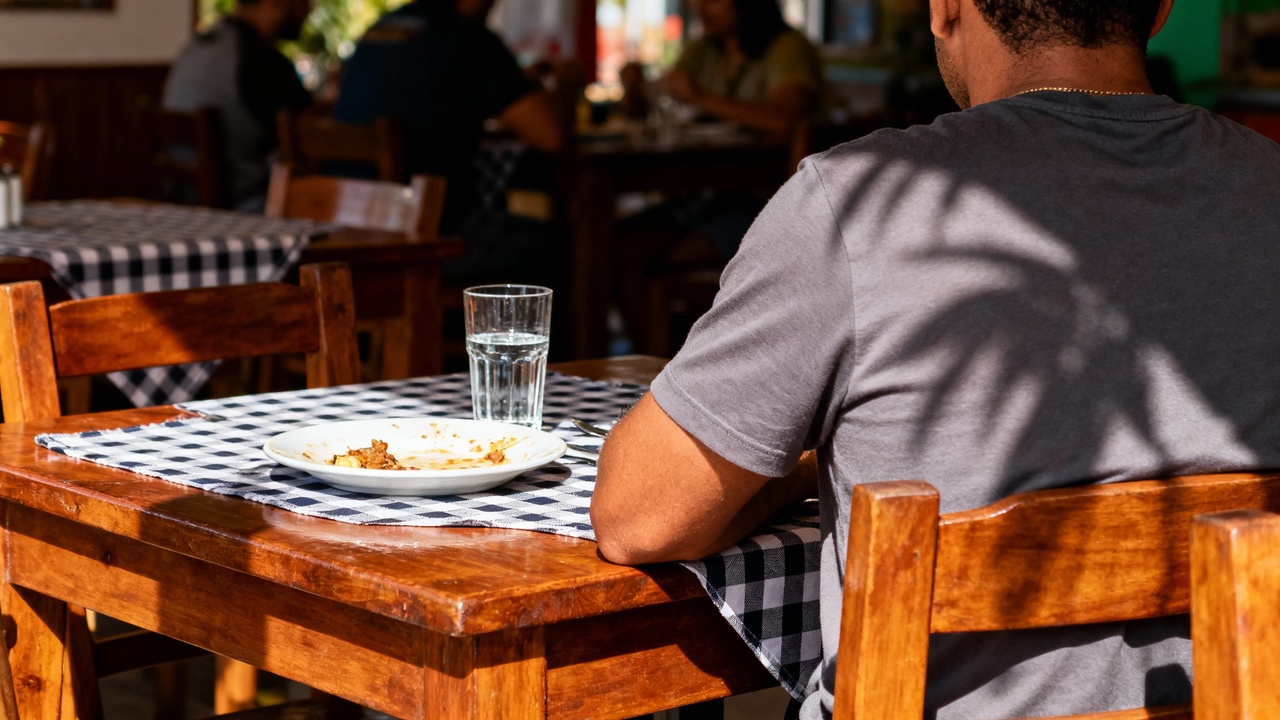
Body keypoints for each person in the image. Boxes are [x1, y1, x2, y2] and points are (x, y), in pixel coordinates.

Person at [591, 0, 1280, 717]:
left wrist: (800, 467)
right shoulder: (1268, 184)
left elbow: (639, 516)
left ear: (946, 6)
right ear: (1161, 7)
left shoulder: (859, 202)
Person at [333, 0, 567, 283]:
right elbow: (551, 136)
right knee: (567, 244)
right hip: (426, 239)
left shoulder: (380, 29)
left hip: (349, 232)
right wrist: (567, 84)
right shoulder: (468, 37)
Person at [163, 0, 314, 212]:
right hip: (239, 207)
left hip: (184, 200)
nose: (310, 10)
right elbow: (309, 138)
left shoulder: (199, 44)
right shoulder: (258, 59)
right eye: (304, 2)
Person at [663, 0, 824, 136]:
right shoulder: (704, 46)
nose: (700, 7)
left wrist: (699, 97)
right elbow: (664, 90)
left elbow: (785, 121)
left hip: (774, 167)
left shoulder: (788, 46)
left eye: (713, 0)